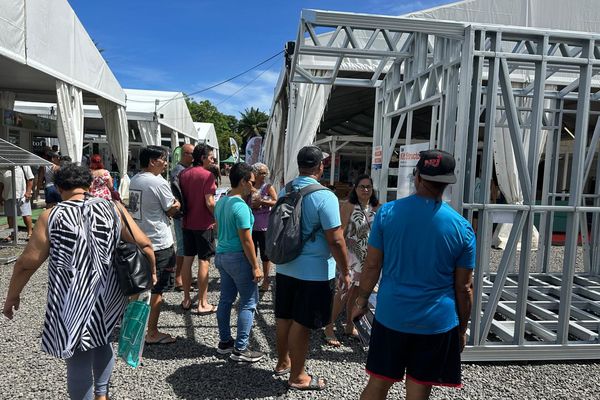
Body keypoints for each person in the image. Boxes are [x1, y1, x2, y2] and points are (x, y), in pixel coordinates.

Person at [2, 163, 156, 400]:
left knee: (77, 355)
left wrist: (13, 295)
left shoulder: (52, 215)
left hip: (71, 297)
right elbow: (145, 244)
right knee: (102, 339)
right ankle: (102, 394)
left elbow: (26, 263)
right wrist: (151, 275)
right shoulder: (114, 208)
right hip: (110, 295)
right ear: (88, 185)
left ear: (60, 187)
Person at [352, 150, 476, 400]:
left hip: (391, 316)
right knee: (419, 390)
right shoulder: (462, 228)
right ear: (447, 183)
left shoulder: (387, 214)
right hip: (436, 323)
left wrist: (361, 301)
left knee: (378, 383)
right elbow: (464, 288)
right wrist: (461, 330)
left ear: (417, 176)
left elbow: (372, 266)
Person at [274, 145, 351, 391]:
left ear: (299, 165)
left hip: (285, 266)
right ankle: (298, 377)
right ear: (321, 167)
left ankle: (282, 362)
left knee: (284, 316)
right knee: (303, 323)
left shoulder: (286, 189)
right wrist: (346, 270)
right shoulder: (325, 196)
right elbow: (336, 239)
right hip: (315, 271)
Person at [129, 146, 180, 345]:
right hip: (159, 242)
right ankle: (152, 332)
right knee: (157, 290)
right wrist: (177, 204)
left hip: (138, 239)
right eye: (163, 159)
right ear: (152, 161)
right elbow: (171, 208)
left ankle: (133, 328)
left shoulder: (135, 179)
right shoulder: (158, 182)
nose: (166, 163)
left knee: (138, 287)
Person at [214, 162, 265, 362]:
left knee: (226, 299)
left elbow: (218, 228)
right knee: (249, 302)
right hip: (238, 257)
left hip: (222, 255)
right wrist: (255, 265)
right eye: (251, 182)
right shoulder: (241, 207)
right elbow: (246, 240)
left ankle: (225, 342)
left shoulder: (222, 201)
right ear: (243, 181)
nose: (253, 186)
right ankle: (241, 348)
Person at [324, 174, 379, 346]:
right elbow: (339, 231)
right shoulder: (349, 206)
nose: (365, 190)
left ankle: (349, 325)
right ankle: (329, 327)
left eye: (368, 187)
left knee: (357, 293)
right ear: (355, 188)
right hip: (350, 256)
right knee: (342, 292)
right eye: (361, 186)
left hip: (367, 257)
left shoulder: (377, 206)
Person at [178, 143, 217, 314]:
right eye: (210, 156)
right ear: (202, 158)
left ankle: (186, 299)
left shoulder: (183, 173)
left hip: (187, 223)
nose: (213, 159)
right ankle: (202, 302)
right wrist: (218, 216)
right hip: (203, 224)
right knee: (204, 261)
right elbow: (209, 202)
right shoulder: (207, 176)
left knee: (188, 259)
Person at [248, 163, 278, 292]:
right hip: (250, 225)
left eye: (266, 173)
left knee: (265, 255)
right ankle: (253, 276)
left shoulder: (268, 187)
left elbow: (276, 201)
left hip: (265, 226)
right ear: (254, 173)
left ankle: (266, 279)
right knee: (251, 253)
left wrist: (262, 201)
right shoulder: (249, 186)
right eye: (261, 173)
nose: (264, 175)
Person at [171, 144, 195, 291]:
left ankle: (183, 276)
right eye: (192, 154)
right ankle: (178, 277)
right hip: (181, 214)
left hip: (187, 213)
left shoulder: (185, 170)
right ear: (185, 154)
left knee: (187, 247)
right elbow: (180, 194)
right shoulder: (178, 171)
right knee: (182, 246)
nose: (194, 157)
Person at [0, 165, 35, 241]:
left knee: (26, 215)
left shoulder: (23, 164)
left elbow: (30, 178)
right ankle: (13, 234)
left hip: (22, 195)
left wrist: (28, 192)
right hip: (8, 195)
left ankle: (30, 233)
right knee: (10, 216)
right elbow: (1, 183)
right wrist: (0, 195)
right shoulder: (3, 166)